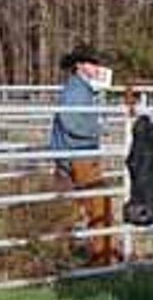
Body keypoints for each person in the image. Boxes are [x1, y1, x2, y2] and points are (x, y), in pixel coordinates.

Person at [51, 45, 119, 266]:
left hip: (72, 153)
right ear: (79, 66)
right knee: (99, 205)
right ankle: (103, 257)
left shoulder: (81, 89)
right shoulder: (76, 90)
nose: (97, 67)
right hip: (80, 154)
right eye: (92, 63)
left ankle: (63, 253)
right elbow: (70, 121)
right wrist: (96, 130)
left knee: (72, 207)